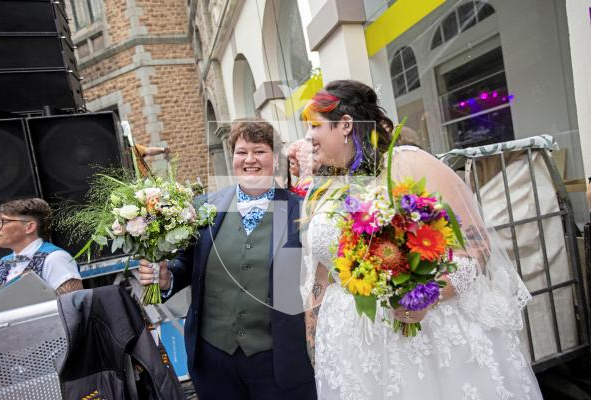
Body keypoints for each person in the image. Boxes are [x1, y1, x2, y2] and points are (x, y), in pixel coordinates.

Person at [300, 80, 543, 399]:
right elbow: (322, 273)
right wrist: (314, 335)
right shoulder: (326, 189)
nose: (307, 138)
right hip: (352, 352)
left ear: (345, 125)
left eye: (314, 126)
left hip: (421, 342)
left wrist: (426, 295)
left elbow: (477, 248)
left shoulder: (408, 163)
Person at [138, 118, 317, 400]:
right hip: (213, 362)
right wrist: (166, 278)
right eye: (242, 151)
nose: (250, 160)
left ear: (276, 158)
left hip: (278, 361)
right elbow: (185, 265)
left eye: (259, 151)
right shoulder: (204, 208)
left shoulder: (302, 213)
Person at [0, 198, 82, 295]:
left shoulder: (55, 258)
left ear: (29, 227)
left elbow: (73, 305)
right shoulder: (4, 262)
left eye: (3, 222)